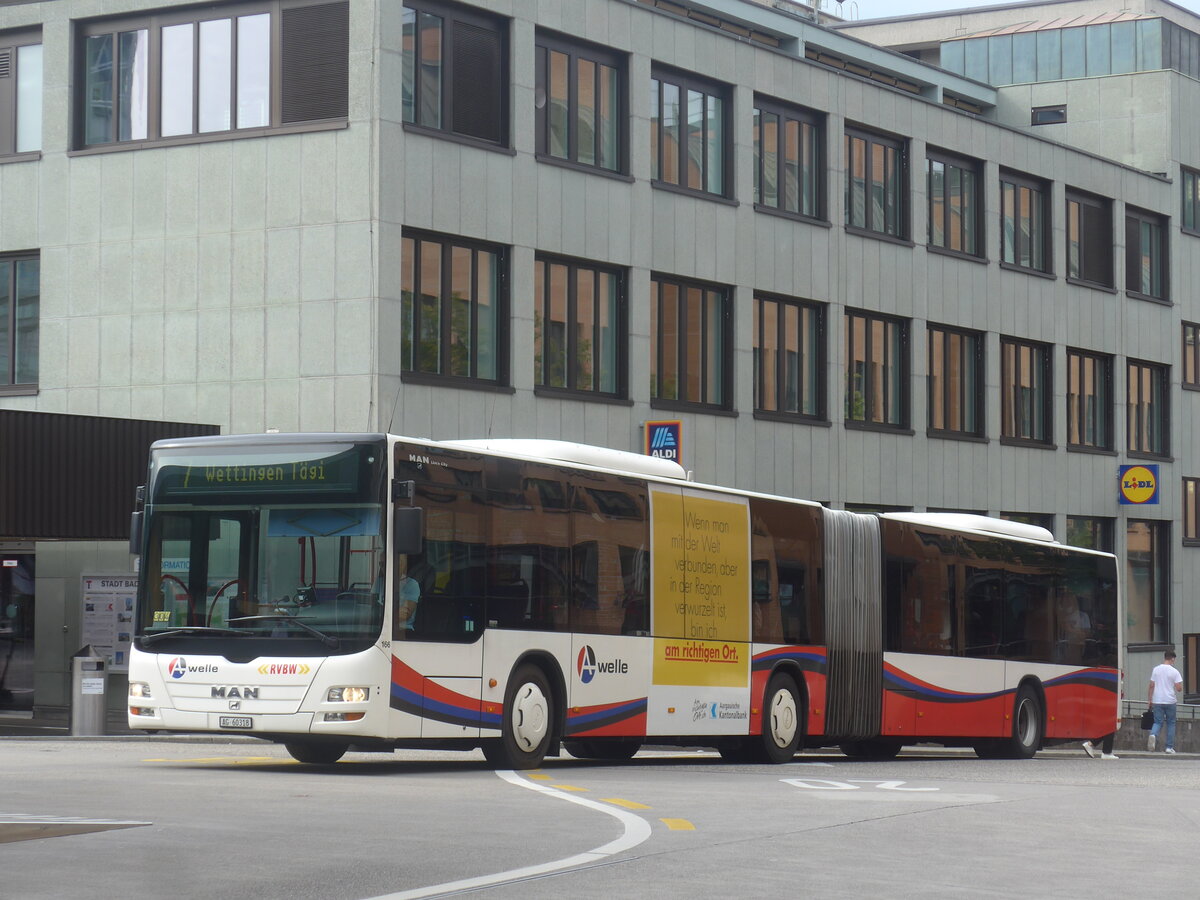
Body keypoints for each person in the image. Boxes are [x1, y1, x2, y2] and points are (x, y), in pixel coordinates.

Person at [1147, 649, 1183, 753]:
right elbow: (1179, 688)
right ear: (1172, 659)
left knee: (1158, 722)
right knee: (1171, 723)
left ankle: (1153, 734)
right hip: (1170, 700)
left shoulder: (1156, 670)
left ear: (1164, 657)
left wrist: (1150, 699)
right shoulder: (1174, 671)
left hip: (1157, 700)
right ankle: (1169, 747)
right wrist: (1177, 685)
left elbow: (1151, 685)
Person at [394, 555, 421, 633]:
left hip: (403, 630)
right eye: (381, 564)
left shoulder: (411, 584)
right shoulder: (378, 582)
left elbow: (404, 615)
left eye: (399, 563)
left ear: (405, 565)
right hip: (377, 629)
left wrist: (379, 617)